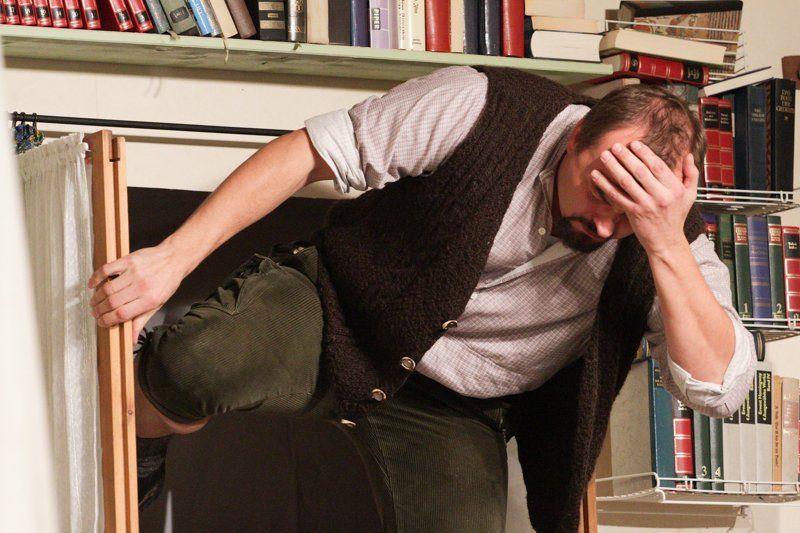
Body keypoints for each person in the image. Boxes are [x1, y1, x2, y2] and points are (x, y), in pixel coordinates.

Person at [88, 66, 756, 532]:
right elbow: (312, 151)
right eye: (601, 193)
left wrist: (664, 244)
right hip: (345, 312)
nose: (606, 227)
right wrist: (173, 258)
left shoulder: (668, 237)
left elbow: (721, 390)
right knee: (189, 368)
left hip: (458, 405)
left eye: (631, 215)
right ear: (576, 136)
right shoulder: (483, 106)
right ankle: (150, 439)